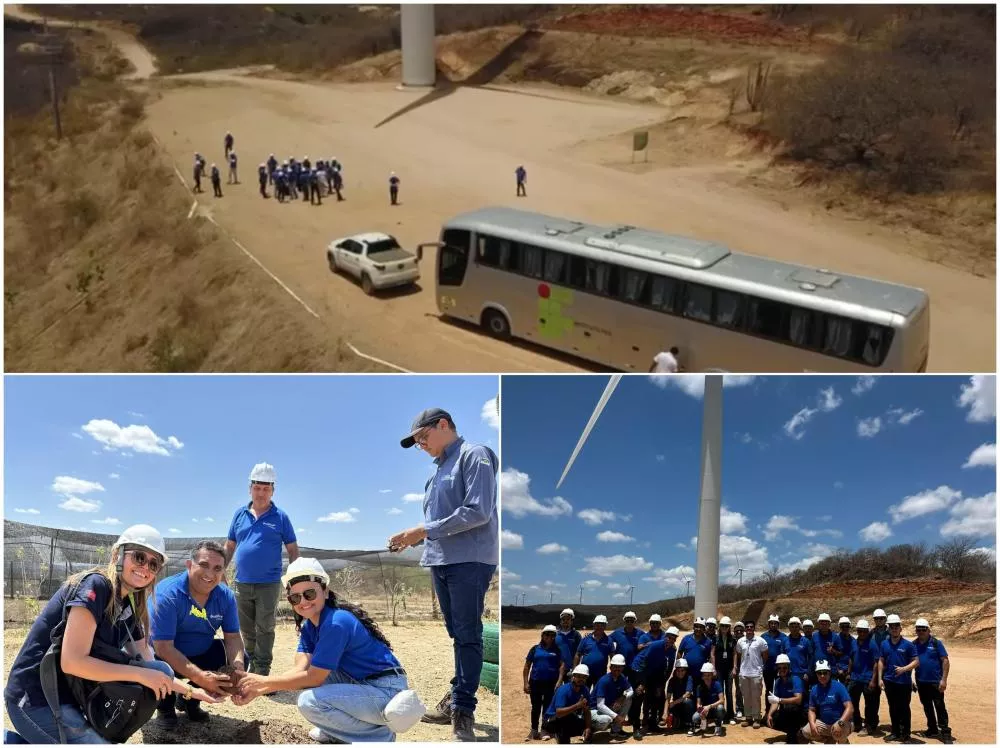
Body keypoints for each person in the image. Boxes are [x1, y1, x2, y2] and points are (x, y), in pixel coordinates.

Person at [4, 525, 220, 744]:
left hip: (71, 697)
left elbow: (150, 664)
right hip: (36, 697)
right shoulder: (96, 586)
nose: (145, 567)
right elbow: (72, 662)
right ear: (118, 555)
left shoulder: (131, 605)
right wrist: (139, 675)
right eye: (138, 557)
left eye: (153, 564)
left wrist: (191, 691)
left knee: (159, 668)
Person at [389, 407, 499, 742]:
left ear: (443, 425)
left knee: (467, 634)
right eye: (417, 441)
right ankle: (457, 696)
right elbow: (439, 523)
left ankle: (463, 709)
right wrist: (416, 538)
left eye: (423, 437)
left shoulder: (474, 455)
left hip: (469, 559)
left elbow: (478, 511)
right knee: (458, 633)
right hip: (441, 560)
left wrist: (422, 531)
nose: (421, 444)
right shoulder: (435, 472)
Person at [235, 558, 409, 743]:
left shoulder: (336, 622)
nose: (303, 602)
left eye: (309, 593)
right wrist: (259, 689)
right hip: (365, 686)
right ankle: (339, 731)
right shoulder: (311, 626)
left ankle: (379, 737)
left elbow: (313, 678)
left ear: (325, 591)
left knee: (309, 702)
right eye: (295, 597)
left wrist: (262, 680)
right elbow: (300, 671)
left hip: (387, 691)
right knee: (320, 678)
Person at [148, 540, 246, 726]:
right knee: (157, 664)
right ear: (189, 565)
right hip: (166, 656)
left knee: (240, 659)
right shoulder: (167, 595)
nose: (210, 573)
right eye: (203, 565)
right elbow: (163, 648)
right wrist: (201, 677)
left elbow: (232, 637)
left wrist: (238, 668)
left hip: (200, 653)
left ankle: (190, 700)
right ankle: (165, 706)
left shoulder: (225, 596)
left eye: (218, 568)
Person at [225, 462, 299, 677]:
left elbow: (293, 550)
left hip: (269, 583)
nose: (261, 492)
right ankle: (250, 664)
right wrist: (220, 571)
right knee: (246, 629)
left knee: (265, 628)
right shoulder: (239, 515)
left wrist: (294, 580)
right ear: (250, 489)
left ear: (272, 491)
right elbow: (230, 545)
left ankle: (263, 670)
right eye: (257, 487)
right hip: (242, 582)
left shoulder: (281, 517)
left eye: (266, 488)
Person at [879, 613, 919, 743]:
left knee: (904, 708)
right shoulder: (884, 644)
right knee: (893, 707)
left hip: (903, 683)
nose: (894, 628)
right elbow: (881, 661)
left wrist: (904, 669)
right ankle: (895, 732)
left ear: (900, 628)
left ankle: (906, 734)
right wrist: (880, 678)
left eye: (896, 626)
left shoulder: (908, 645)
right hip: (889, 681)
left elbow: (916, 662)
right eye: (891, 626)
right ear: (888, 629)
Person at [912, 618, 952, 744]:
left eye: (923, 629)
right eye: (918, 629)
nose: (921, 631)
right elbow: (909, 662)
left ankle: (945, 732)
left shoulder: (936, 643)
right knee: (927, 706)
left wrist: (944, 680)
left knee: (939, 706)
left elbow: (945, 660)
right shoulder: (913, 644)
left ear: (928, 630)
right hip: (921, 681)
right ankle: (932, 729)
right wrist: (910, 680)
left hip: (935, 682)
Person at [524, 625, 564, 740]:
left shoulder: (557, 650)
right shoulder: (535, 649)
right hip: (535, 682)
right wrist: (526, 683)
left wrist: (559, 680)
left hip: (550, 683)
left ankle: (544, 730)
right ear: (542, 635)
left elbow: (562, 665)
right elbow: (527, 666)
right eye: (547, 634)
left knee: (547, 707)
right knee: (535, 707)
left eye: (552, 635)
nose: (549, 637)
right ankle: (533, 730)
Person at [799, 660, 853, 744]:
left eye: (825, 672)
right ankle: (829, 739)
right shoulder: (814, 689)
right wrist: (812, 724)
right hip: (825, 724)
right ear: (816, 674)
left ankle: (844, 742)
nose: (822, 675)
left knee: (839, 734)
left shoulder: (838, 686)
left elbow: (850, 708)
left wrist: (840, 723)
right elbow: (811, 710)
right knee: (806, 731)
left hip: (843, 722)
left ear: (829, 673)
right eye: (819, 673)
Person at [609, 611, 644, 737]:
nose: (629, 622)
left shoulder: (640, 633)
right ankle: (615, 724)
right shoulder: (617, 633)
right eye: (627, 620)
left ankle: (635, 723)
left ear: (635, 621)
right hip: (620, 669)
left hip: (635, 669)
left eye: (632, 620)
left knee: (635, 695)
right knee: (619, 695)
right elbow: (604, 639)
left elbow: (648, 641)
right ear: (624, 620)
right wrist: (588, 636)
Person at [543, 664, 593, 744]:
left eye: (584, 677)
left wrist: (588, 728)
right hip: (552, 720)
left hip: (569, 716)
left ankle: (566, 733)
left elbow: (587, 711)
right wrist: (577, 705)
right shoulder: (564, 690)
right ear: (573, 676)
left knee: (589, 728)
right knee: (564, 732)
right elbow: (559, 713)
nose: (581, 679)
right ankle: (559, 735)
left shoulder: (585, 690)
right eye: (579, 676)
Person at [847, 619, 880, 737]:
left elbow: (876, 663)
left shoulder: (872, 644)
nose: (861, 633)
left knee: (870, 704)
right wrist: (849, 673)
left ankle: (869, 726)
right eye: (859, 631)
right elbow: (851, 658)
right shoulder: (853, 643)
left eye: (864, 631)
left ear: (867, 631)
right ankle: (857, 724)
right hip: (855, 678)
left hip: (867, 678)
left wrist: (873, 680)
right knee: (853, 702)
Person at [736, 618, 768, 728]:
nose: (749, 628)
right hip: (744, 673)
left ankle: (757, 718)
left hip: (756, 673)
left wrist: (760, 667)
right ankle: (748, 718)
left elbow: (765, 655)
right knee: (746, 696)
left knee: (756, 697)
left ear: (754, 628)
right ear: (745, 629)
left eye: (751, 627)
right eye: (747, 627)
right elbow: (739, 655)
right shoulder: (740, 641)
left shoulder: (760, 641)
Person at [766, 654, 805, 744]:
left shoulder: (795, 679)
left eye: (784, 667)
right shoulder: (778, 681)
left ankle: (796, 733)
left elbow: (798, 700)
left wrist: (780, 700)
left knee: (791, 710)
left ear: (789, 667)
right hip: (787, 711)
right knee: (771, 719)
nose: (782, 670)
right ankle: (793, 731)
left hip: (799, 712)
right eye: (779, 668)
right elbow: (775, 702)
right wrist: (769, 714)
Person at [591, 655, 633, 738]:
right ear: (610, 667)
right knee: (606, 720)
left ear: (623, 668)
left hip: (609, 706)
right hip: (594, 710)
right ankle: (589, 728)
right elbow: (600, 705)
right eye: (615, 666)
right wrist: (616, 716)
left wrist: (623, 697)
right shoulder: (604, 680)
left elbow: (631, 690)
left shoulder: (621, 678)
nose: (617, 669)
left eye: (620, 667)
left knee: (628, 699)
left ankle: (616, 729)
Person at [690, 663, 726, 737]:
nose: (707, 677)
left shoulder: (717, 684)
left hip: (715, 709)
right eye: (705, 675)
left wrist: (709, 706)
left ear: (712, 675)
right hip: (705, 711)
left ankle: (718, 725)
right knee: (695, 718)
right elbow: (698, 703)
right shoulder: (699, 687)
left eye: (709, 675)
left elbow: (722, 700)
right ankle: (705, 723)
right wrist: (701, 712)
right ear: (702, 676)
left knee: (720, 708)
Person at [575, 615, 613, 686]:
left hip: (600, 674)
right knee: (583, 694)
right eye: (597, 624)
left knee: (598, 694)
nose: (599, 627)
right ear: (594, 625)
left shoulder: (609, 641)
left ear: (605, 626)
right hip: (585, 674)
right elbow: (578, 654)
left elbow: (612, 657)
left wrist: (612, 673)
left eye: (602, 625)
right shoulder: (585, 639)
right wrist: (575, 669)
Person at [714, 616, 738, 725]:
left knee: (729, 691)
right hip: (718, 669)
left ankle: (731, 715)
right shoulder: (715, 638)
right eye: (722, 626)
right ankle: (721, 715)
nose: (724, 628)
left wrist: (734, 667)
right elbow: (712, 653)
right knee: (720, 692)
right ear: (720, 627)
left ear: (729, 627)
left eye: (726, 626)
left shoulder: (733, 639)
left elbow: (735, 653)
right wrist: (713, 668)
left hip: (729, 669)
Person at [663, 657, 694, 734]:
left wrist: (674, 703)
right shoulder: (672, 681)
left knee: (687, 701)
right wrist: (665, 712)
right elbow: (668, 698)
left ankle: (690, 724)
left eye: (682, 670)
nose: (680, 672)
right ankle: (680, 721)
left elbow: (688, 694)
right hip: (677, 705)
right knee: (668, 709)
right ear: (675, 670)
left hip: (687, 706)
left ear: (686, 671)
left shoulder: (689, 678)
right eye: (678, 670)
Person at [785, 617, 814, 696]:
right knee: (788, 695)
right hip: (788, 674)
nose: (794, 629)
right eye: (792, 626)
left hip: (802, 674)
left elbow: (811, 658)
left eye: (796, 626)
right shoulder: (785, 640)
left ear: (799, 628)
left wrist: (808, 673)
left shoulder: (805, 641)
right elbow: (782, 657)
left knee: (803, 697)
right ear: (789, 628)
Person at [762, 614, 789, 697]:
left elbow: (786, 651)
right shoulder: (763, 637)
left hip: (780, 668)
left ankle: (781, 708)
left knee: (781, 688)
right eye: (771, 623)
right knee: (769, 689)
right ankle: (768, 709)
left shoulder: (783, 637)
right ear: (769, 624)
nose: (773, 625)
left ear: (778, 624)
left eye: (775, 623)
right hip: (767, 668)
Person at [555, 609, 581, 685]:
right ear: (560, 621)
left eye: (568, 619)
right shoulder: (555, 635)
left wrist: (574, 669)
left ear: (571, 621)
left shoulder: (576, 635)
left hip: (570, 670)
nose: (565, 621)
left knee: (569, 691)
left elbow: (579, 653)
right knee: (556, 691)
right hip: (556, 669)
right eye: (563, 619)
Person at [833, 617, 854, 685]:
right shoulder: (835, 639)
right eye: (843, 626)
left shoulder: (853, 641)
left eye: (847, 626)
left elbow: (854, 657)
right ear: (840, 627)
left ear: (849, 627)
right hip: (838, 670)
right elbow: (832, 656)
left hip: (849, 671)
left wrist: (849, 672)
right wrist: (838, 669)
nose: (845, 628)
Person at [732, 621, 746, 720]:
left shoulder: (747, 640)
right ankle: (739, 709)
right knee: (738, 690)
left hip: (745, 668)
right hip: (733, 668)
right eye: (737, 630)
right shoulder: (731, 640)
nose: (739, 631)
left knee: (746, 690)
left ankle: (749, 709)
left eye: (741, 630)